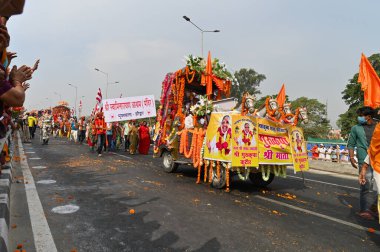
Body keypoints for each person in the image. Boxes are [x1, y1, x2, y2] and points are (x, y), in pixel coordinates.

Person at [348, 106, 377, 219]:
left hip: (377, 159)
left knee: (378, 186)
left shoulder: (378, 126)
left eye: (361, 115)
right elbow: (351, 143)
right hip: (362, 159)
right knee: (366, 184)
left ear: (368, 116)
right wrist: (351, 157)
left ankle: (374, 207)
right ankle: (364, 210)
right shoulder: (356, 128)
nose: (359, 118)